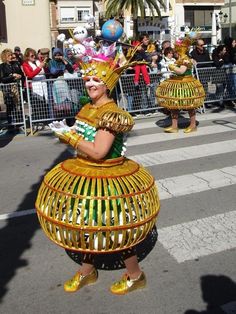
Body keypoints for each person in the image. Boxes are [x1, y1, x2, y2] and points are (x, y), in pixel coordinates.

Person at [36, 44, 160, 295]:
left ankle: (135, 275)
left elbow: (98, 152)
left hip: (109, 178)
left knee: (114, 230)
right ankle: (88, 270)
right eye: (88, 78)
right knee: (87, 224)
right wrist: (68, 132)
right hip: (86, 173)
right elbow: (85, 144)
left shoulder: (111, 114)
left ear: (108, 84)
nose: (90, 83)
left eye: (97, 79)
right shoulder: (88, 108)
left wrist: (69, 137)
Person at [156, 34, 205, 133]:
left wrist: (172, 67)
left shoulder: (185, 59)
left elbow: (181, 71)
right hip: (178, 85)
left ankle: (193, 125)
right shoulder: (180, 59)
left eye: (177, 50)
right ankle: (174, 126)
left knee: (189, 105)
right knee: (174, 105)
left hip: (187, 85)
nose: (175, 52)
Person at [0, 48, 24, 129]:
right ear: (4, 57)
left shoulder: (16, 64)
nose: (11, 56)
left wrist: (20, 76)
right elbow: (2, 79)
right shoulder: (2, 66)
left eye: (11, 55)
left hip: (17, 88)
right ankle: (10, 124)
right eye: (9, 55)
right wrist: (12, 76)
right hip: (7, 89)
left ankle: (19, 123)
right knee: (10, 106)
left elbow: (22, 74)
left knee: (18, 105)